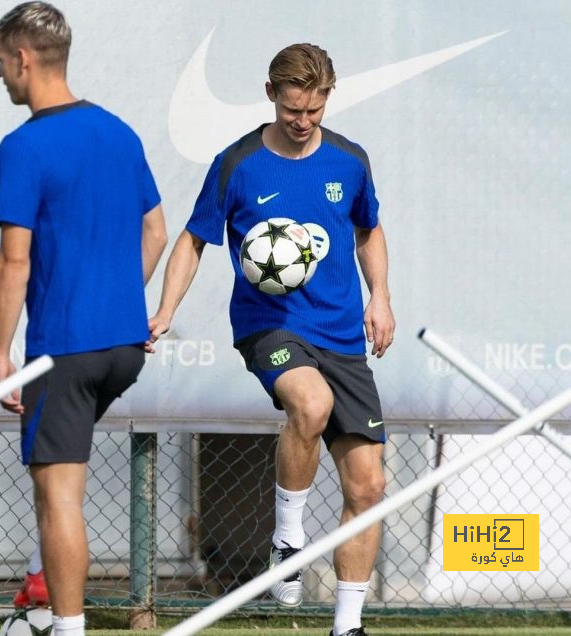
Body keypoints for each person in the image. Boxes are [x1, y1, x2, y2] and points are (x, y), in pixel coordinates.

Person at [148, 43, 395, 636]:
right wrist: (164, 309)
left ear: (327, 99)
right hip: (270, 327)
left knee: (369, 486)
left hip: (341, 337)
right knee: (311, 403)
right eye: (292, 111)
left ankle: (347, 625)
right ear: (270, 96)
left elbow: (369, 230)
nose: (303, 122)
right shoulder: (237, 164)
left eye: (313, 111)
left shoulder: (349, 160)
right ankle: (287, 538)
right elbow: (192, 241)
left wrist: (379, 295)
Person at [0, 3, 167, 634]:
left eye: (0, 65)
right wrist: (121, 299)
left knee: (59, 494)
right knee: (56, 486)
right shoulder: (119, 131)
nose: (1, 80)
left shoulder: (24, 145)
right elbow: (156, 229)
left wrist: (2, 353)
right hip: (120, 348)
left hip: (62, 349)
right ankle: (43, 612)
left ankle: (66, 627)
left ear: (23, 58)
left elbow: (15, 258)